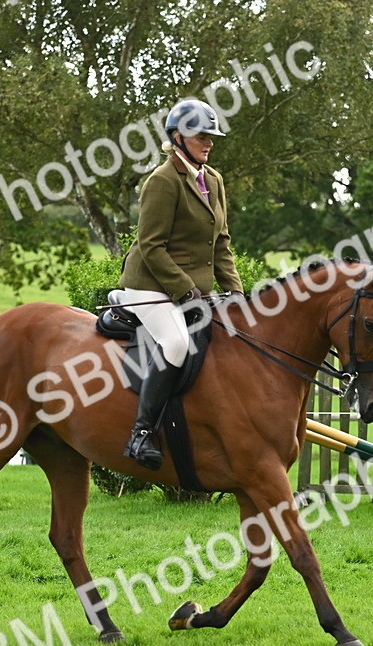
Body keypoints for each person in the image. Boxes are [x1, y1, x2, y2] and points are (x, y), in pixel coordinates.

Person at [117, 98, 244, 470]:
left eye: (211, 136)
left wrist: (235, 291)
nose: (209, 142)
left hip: (193, 290)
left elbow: (220, 242)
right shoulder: (162, 180)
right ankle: (141, 433)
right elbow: (150, 246)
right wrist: (187, 292)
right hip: (150, 285)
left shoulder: (214, 180)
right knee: (175, 342)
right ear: (177, 137)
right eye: (201, 136)